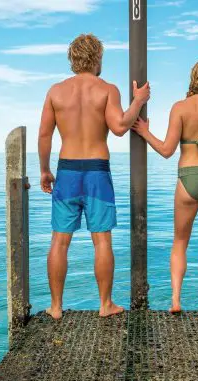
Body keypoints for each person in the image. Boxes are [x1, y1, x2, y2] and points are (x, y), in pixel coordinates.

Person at [38, 33, 151, 319]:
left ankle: (55, 307)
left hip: (67, 170)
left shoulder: (55, 91)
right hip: (97, 172)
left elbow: (44, 135)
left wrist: (44, 169)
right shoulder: (107, 89)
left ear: (72, 59)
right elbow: (120, 126)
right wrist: (138, 101)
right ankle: (105, 305)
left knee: (59, 241)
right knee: (102, 240)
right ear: (97, 58)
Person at [131, 60, 198, 319]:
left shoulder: (180, 108)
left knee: (180, 242)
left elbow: (167, 150)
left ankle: (175, 300)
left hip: (188, 178)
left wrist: (145, 132)